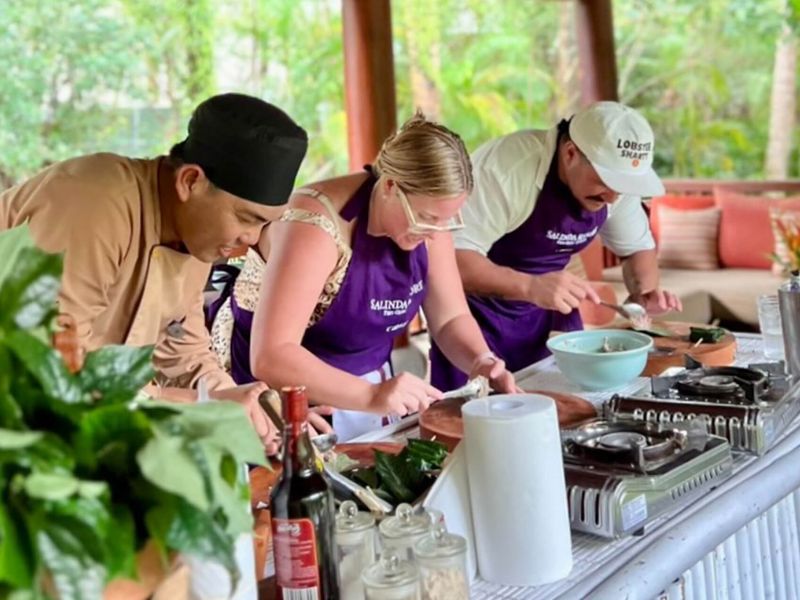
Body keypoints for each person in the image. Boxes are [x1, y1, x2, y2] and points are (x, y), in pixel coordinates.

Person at [0, 92, 318, 451]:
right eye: (246, 218)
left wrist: (250, 408)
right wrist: (196, 405)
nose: (252, 239)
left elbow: (185, 354)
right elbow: (51, 362)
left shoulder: (197, 235)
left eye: (265, 225)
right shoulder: (97, 201)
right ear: (190, 181)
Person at [224, 113, 518, 440]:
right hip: (282, 397)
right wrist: (371, 395)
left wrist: (480, 360)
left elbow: (450, 318)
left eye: (445, 221)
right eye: (426, 218)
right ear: (390, 186)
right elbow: (272, 356)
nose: (435, 232)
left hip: (369, 386)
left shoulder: (431, 226)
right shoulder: (315, 226)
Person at [430, 101, 682, 390]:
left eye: (622, 186)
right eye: (606, 181)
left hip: (548, 316)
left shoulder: (616, 190)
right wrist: (530, 286)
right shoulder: (506, 170)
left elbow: (637, 249)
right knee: (472, 411)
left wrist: (642, 296)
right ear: (570, 153)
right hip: (474, 320)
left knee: (562, 402)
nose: (613, 197)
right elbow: (451, 261)